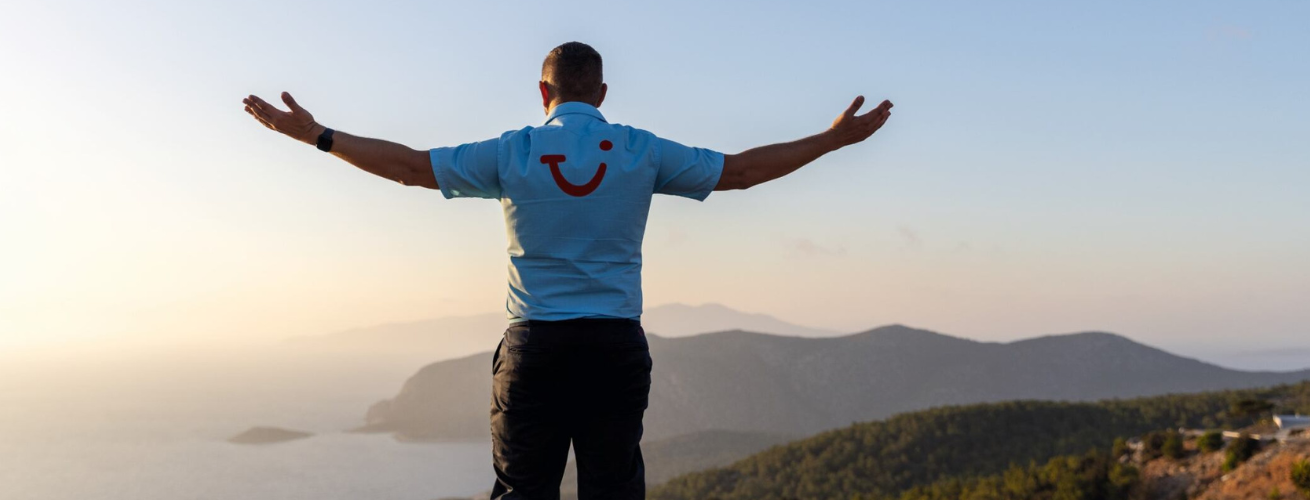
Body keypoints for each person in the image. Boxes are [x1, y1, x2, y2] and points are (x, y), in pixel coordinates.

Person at [242, 41, 892, 500]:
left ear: (543, 93)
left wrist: (320, 136)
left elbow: (412, 165)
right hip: (614, 346)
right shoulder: (640, 149)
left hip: (536, 348)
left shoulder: (513, 151)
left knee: (524, 491)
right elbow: (744, 171)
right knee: (612, 491)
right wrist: (832, 139)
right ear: (602, 93)